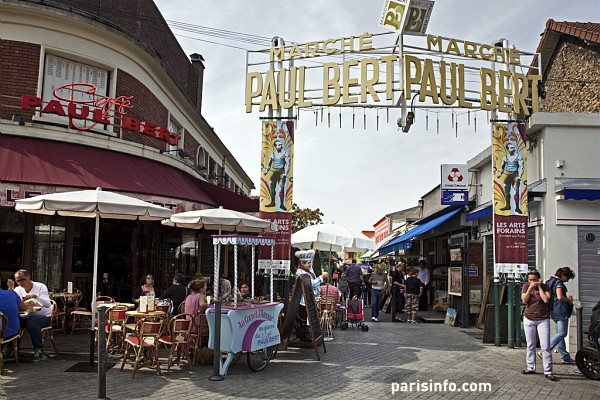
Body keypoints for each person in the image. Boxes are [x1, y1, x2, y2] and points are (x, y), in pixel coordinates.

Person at [8, 269, 51, 361]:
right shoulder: (18, 289)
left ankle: (38, 350)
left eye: (22, 280)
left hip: (43, 316)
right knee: (11, 320)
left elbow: (47, 304)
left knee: (32, 321)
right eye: (18, 281)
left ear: (28, 277)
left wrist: (36, 296)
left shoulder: (40, 286)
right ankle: (12, 348)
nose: (20, 283)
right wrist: (11, 290)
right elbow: (11, 302)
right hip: (26, 315)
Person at [521, 270, 556, 381]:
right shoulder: (526, 286)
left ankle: (548, 371)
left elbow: (546, 299)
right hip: (529, 318)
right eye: (530, 279)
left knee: (545, 346)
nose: (532, 282)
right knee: (530, 345)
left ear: (539, 279)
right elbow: (524, 300)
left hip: (543, 319)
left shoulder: (545, 286)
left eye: (535, 279)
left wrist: (539, 287)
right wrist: (530, 288)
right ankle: (530, 367)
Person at [546, 267, 576, 364]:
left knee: (560, 334)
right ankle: (545, 351)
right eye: (567, 278)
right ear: (563, 275)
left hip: (552, 310)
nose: (567, 280)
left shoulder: (549, 281)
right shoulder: (559, 283)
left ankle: (565, 357)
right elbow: (560, 297)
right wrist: (569, 300)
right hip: (560, 310)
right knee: (562, 333)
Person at [294, 250, 326, 342]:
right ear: (302, 263)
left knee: (307, 319)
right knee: (303, 319)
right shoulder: (300, 272)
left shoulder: (308, 271)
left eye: (310, 263)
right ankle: (303, 336)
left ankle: (306, 335)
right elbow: (310, 284)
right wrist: (321, 277)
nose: (310, 265)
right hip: (302, 300)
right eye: (308, 263)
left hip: (308, 299)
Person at [1, 277, 26, 359]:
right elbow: (24, 308)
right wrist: (11, 290)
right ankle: (12, 352)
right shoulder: (11, 294)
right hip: (6, 333)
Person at [263, 137, 290, 211]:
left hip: (281, 171)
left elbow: (288, 164)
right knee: (272, 186)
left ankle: (281, 204)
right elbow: (269, 164)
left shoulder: (285, 154)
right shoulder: (272, 155)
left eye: (281, 145)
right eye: (279, 145)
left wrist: (285, 173)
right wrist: (266, 171)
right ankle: (272, 202)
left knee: (281, 187)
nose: (281, 146)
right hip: (273, 170)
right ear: (275, 146)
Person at [496, 141, 524, 214]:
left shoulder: (518, 157)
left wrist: (519, 176)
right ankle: (508, 205)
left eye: (513, 147)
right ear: (508, 149)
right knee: (506, 191)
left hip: (515, 174)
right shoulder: (505, 158)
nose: (513, 149)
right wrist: (500, 173)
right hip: (507, 174)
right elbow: (502, 167)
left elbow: (521, 167)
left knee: (516, 191)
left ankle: (517, 207)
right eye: (511, 148)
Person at [184, 279, 209, 352]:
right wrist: (209, 306)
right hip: (198, 326)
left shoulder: (189, 296)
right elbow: (202, 304)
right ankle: (206, 349)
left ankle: (196, 346)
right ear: (201, 289)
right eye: (205, 286)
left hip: (188, 325)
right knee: (214, 328)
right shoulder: (201, 295)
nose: (206, 288)